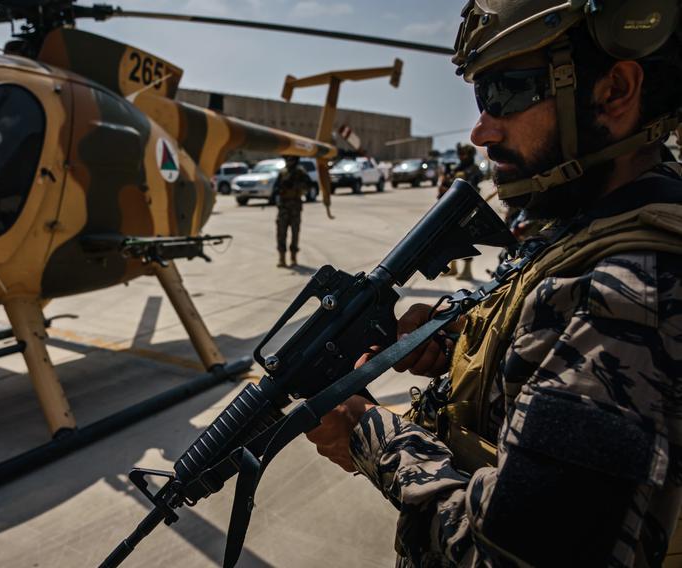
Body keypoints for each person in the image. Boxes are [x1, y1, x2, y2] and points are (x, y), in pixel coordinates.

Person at [306, 2, 682, 566]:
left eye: (505, 93)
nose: (481, 129)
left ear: (615, 90)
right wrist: (471, 352)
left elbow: (506, 554)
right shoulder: (598, 219)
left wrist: (367, 435)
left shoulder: (628, 295)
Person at [438, 143, 485, 280]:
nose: (461, 157)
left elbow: (470, 187)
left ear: (469, 155)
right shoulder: (458, 168)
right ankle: (453, 268)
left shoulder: (474, 169)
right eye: (460, 154)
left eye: (463, 154)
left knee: (464, 238)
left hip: (465, 208)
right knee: (449, 237)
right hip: (451, 208)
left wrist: (448, 190)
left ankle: (467, 271)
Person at [275, 155, 309, 267]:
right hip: (283, 207)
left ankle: (293, 258)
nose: (289, 161)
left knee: (295, 233)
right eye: (288, 159)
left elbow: (307, 186)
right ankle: (282, 259)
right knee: (281, 233)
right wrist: (281, 188)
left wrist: (295, 185)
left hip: (295, 206)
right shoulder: (282, 172)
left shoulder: (300, 172)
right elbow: (276, 187)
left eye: (292, 159)